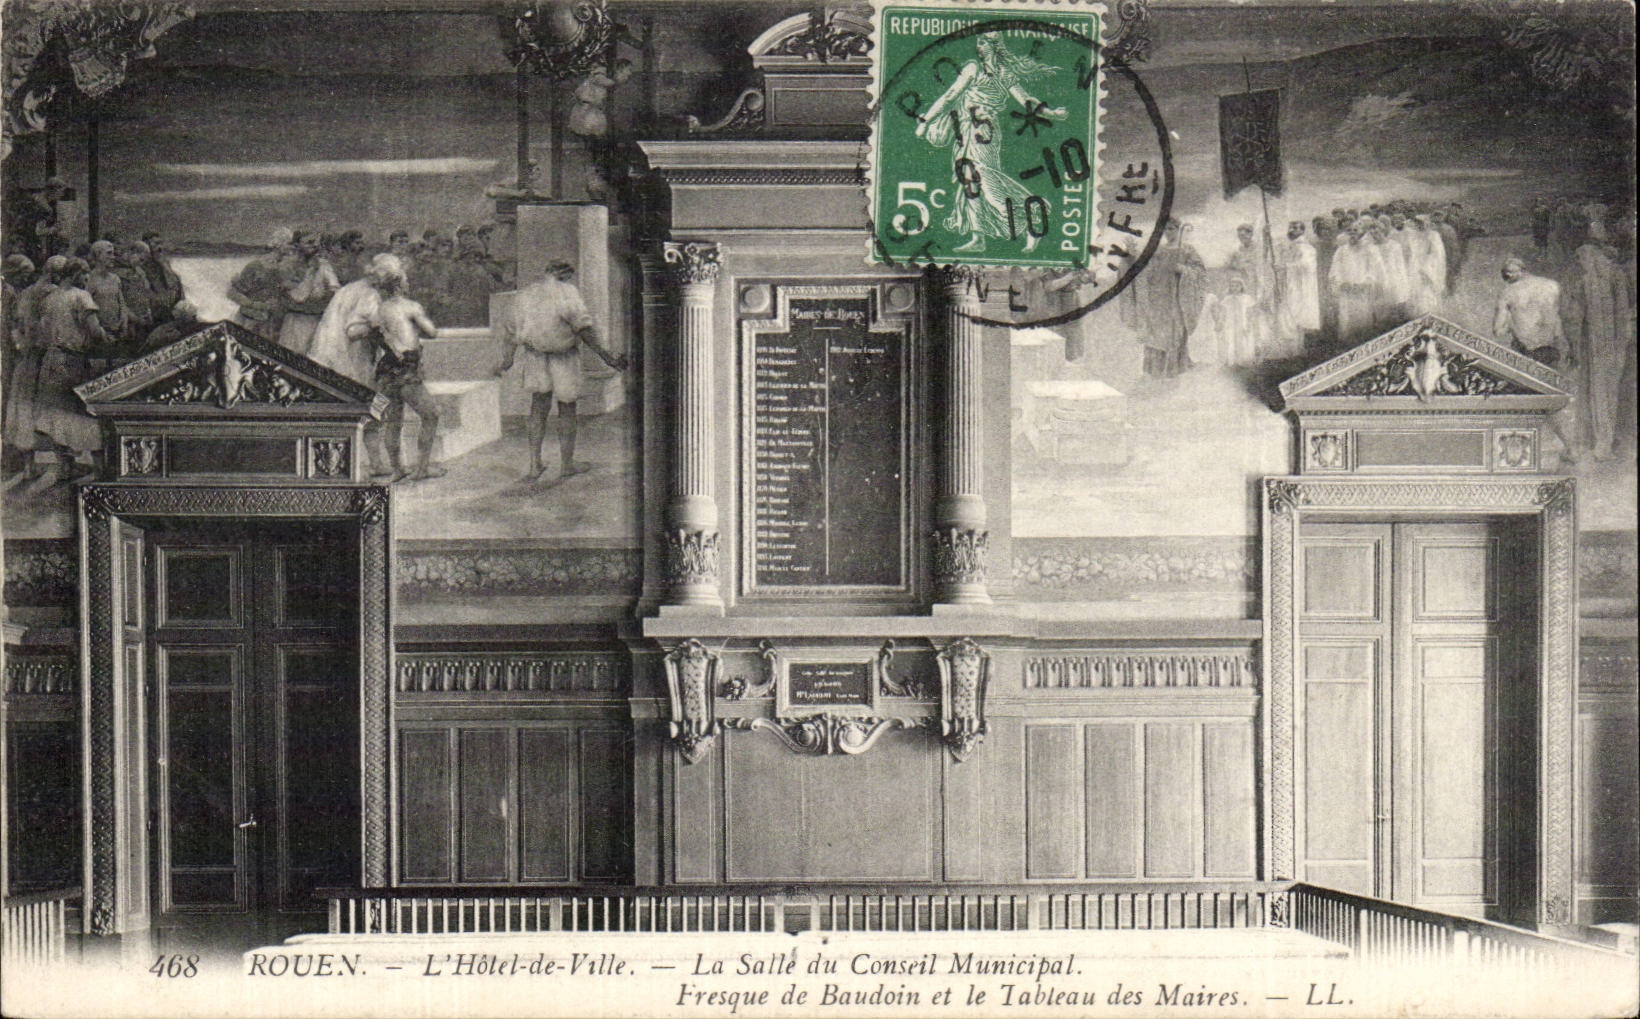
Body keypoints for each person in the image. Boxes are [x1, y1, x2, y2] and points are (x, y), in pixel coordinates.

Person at [913, 36, 1067, 254]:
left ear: (995, 46)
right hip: (966, 130)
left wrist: (1052, 113)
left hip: (983, 131)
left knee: (985, 181)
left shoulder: (997, 73)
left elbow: (1026, 101)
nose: (978, 46)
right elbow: (950, 96)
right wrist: (926, 120)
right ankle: (978, 237)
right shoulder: (975, 68)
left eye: (983, 42)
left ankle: (1033, 215)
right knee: (969, 182)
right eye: (977, 42)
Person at [492, 260, 629, 483]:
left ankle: (535, 464)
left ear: (546, 272)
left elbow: (511, 333)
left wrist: (507, 359)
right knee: (567, 408)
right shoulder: (567, 292)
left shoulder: (524, 295)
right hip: (563, 357)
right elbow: (583, 328)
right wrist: (605, 355)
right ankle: (567, 464)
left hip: (535, 356)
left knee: (538, 406)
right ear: (563, 275)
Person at [30, 259, 114, 487]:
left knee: (56, 414)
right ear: (76, 274)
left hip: (51, 360)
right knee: (86, 412)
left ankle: (64, 466)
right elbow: (95, 332)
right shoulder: (81, 296)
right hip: (73, 361)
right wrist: (108, 338)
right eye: (85, 275)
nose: (87, 280)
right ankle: (101, 471)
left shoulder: (50, 298)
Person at [1494, 255, 1577, 462]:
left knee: (1522, 400)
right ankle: (1571, 449)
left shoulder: (1508, 293)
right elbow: (1566, 318)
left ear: (1509, 276)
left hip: (1527, 351)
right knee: (1553, 400)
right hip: (1552, 349)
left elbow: (1497, 330)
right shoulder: (1552, 286)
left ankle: (1517, 456)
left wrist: (1512, 324)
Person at [1563, 231, 1635, 461]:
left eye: (1582, 260)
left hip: (1604, 346)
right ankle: (1602, 440)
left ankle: (1605, 442)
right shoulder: (1603, 278)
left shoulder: (1603, 278)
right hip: (1604, 345)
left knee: (1603, 393)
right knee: (1603, 392)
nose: (1581, 265)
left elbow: (1622, 313)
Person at [364, 278, 446, 481]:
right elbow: (432, 332)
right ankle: (422, 468)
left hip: (385, 371)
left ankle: (397, 469)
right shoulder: (411, 306)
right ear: (400, 286)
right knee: (431, 415)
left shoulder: (378, 310)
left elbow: (377, 337)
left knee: (393, 421)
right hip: (407, 370)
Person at [1122, 219, 1206, 378]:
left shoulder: (1187, 250)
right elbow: (1144, 267)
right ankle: (1155, 369)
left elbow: (1200, 273)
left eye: (1172, 229)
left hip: (1177, 299)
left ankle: (1174, 368)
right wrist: (1131, 254)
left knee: (1176, 331)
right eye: (1165, 229)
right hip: (1157, 299)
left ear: (1178, 230)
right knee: (1156, 331)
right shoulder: (1157, 250)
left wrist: (1183, 270)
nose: (1168, 232)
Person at [308, 253, 398, 387]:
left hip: (328, 347)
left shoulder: (349, 288)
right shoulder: (370, 294)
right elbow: (355, 331)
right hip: (348, 352)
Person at [278, 230, 340, 355]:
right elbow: (297, 297)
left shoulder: (323, 265)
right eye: (309, 243)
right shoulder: (288, 266)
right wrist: (311, 272)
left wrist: (326, 299)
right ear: (297, 246)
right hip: (295, 322)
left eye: (316, 242)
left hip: (318, 320)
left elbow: (335, 290)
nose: (315, 246)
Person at [229, 229, 294, 341]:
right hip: (251, 320)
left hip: (274, 322)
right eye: (290, 243)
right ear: (279, 244)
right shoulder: (256, 266)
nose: (293, 247)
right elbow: (234, 293)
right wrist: (256, 305)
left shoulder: (288, 268)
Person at [1273, 220, 1319, 356]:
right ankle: (1289, 351)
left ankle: (1298, 350)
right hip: (1288, 284)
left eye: (1295, 228)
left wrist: (1286, 266)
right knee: (1287, 315)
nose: (1291, 230)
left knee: (1296, 315)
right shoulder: (1289, 247)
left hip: (1301, 287)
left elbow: (1307, 265)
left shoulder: (1307, 248)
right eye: (1290, 228)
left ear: (1302, 231)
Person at [1329, 220, 1375, 346]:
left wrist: (1365, 283)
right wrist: (1342, 282)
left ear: (1362, 232)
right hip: (1346, 289)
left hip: (1362, 289)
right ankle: (1347, 345)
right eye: (1350, 231)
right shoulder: (1341, 250)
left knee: (1362, 315)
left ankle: (1363, 342)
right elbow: (1335, 269)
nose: (1353, 233)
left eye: (1356, 230)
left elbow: (1373, 269)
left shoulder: (1369, 250)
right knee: (1346, 317)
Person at [84, 240, 131, 348]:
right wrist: (101, 333)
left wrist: (124, 324)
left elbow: (122, 303)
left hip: (118, 332)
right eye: (109, 253)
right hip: (99, 335)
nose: (113, 257)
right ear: (98, 255)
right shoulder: (89, 280)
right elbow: (87, 311)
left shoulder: (115, 279)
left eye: (113, 253)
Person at [138, 231, 185, 326]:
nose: (159, 248)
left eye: (160, 243)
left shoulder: (164, 262)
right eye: (155, 244)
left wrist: (163, 264)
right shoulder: (141, 268)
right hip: (155, 313)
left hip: (170, 308)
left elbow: (175, 285)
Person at [139, 300, 209, 353]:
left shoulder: (176, 324)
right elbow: (177, 335)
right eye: (193, 317)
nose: (194, 318)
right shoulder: (163, 330)